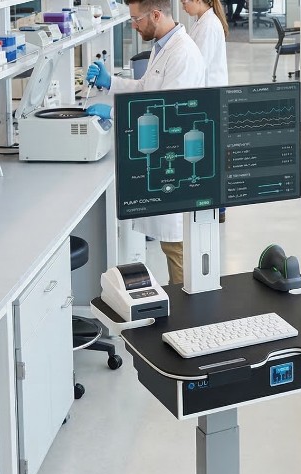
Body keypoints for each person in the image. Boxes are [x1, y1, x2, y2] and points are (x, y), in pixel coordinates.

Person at [85, 0, 206, 285]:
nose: (134, 25)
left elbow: (168, 114)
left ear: (156, 14)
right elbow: (145, 89)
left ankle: (190, 320)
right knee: (171, 246)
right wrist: (109, 82)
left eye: (136, 19)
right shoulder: (162, 47)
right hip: (164, 159)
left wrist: (113, 112)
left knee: (178, 250)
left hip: (178, 160)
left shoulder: (183, 54)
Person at [181, 0, 228, 221]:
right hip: (209, 97)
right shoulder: (201, 22)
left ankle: (218, 208)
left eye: (184, 0)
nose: (182, 4)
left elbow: (197, 65)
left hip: (209, 98)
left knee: (209, 157)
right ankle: (217, 206)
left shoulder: (209, 26)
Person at [182, 0, 229, 87]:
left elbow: (200, 64)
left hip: (210, 86)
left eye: (184, 3)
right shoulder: (201, 21)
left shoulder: (209, 26)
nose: (183, 8)